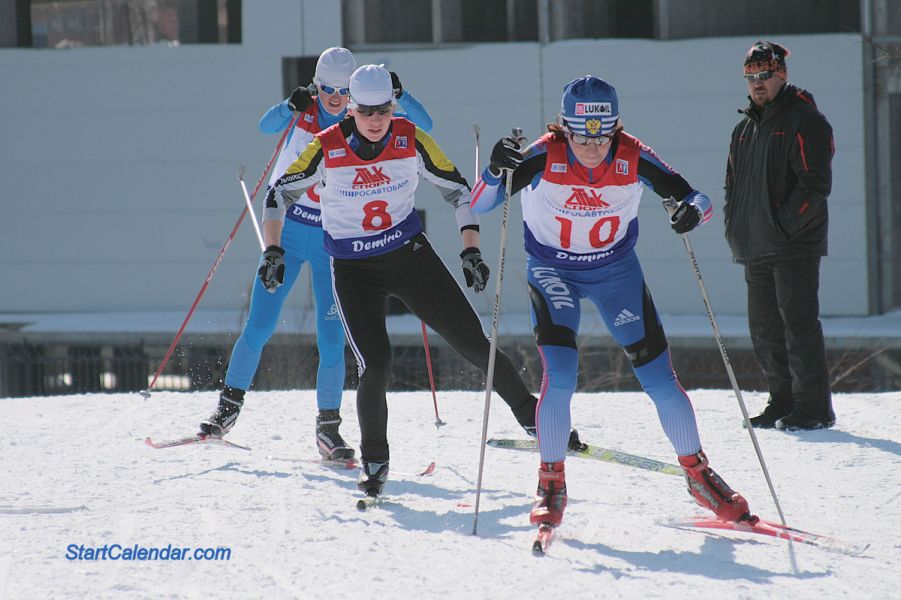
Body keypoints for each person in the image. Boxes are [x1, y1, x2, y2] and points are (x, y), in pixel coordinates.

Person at [470, 76, 756, 530]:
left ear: (615, 127)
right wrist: (493, 169)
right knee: (560, 376)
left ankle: (699, 477)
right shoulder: (544, 154)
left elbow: (694, 196)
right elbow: (481, 204)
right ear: (564, 129)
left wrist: (691, 214)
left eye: (601, 134)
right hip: (552, 270)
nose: (592, 146)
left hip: (615, 272)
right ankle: (550, 482)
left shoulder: (630, 153)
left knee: (661, 381)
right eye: (581, 135)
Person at [264, 64, 559, 497]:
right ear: (350, 107)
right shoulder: (326, 146)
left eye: (383, 108)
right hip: (354, 270)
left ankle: (536, 423)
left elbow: (459, 190)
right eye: (366, 110)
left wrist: (470, 248)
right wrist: (273, 249)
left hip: (409, 258)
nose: (376, 118)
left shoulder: (410, 138)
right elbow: (278, 192)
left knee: (474, 343)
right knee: (377, 364)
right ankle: (375, 460)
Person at [197, 48, 434, 462]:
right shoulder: (303, 110)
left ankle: (328, 429)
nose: (337, 100)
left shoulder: (363, 120)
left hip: (332, 239)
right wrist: (289, 103)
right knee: (260, 323)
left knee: (331, 337)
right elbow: (265, 124)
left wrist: (401, 92)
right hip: (288, 230)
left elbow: (425, 126)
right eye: (328, 91)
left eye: (345, 93)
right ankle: (226, 409)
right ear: (316, 86)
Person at [725, 41, 836, 431]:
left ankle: (813, 408)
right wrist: (734, 228)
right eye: (751, 77)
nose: (758, 83)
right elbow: (732, 187)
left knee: (799, 324)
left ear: (782, 75)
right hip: (756, 247)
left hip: (794, 245)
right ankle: (782, 400)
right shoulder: (743, 129)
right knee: (765, 328)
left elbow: (815, 185)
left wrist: (783, 227)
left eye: (765, 75)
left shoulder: (806, 120)